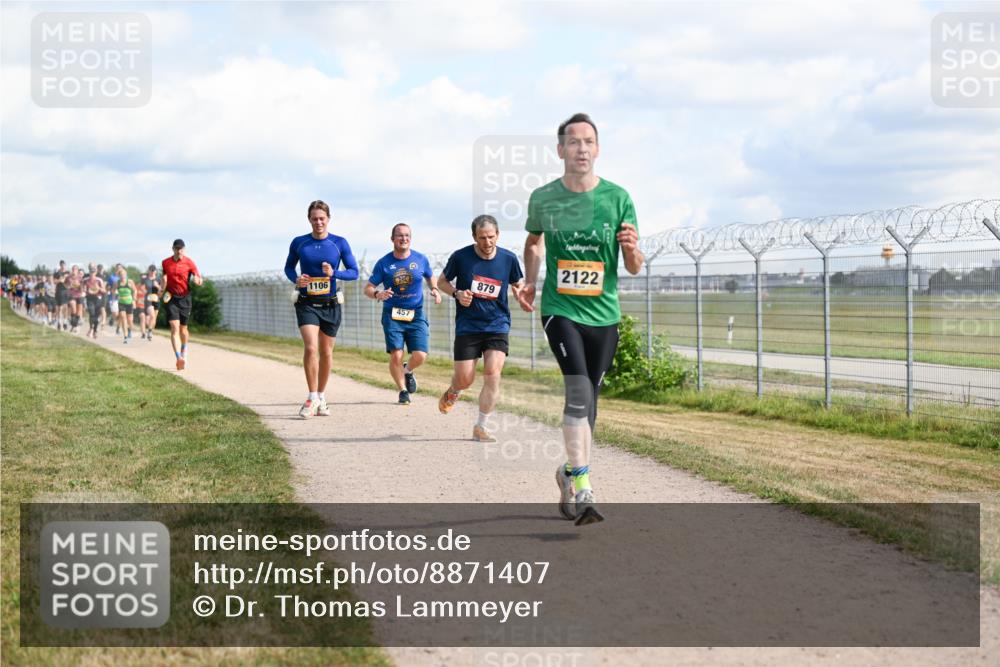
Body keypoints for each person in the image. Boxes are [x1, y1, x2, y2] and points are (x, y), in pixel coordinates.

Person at [522, 113, 643, 526]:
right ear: (560, 150)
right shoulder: (543, 198)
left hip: (604, 314)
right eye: (573, 142)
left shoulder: (618, 198)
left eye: (589, 141)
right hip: (561, 310)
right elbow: (533, 242)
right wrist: (530, 281)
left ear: (598, 149)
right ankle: (586, 487)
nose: (582, 148)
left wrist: (632, 249)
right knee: (577, 392)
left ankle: (568, 472)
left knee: (590, 399)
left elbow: (633, 266)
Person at [436, 214, 532, 442]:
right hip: (468, 326)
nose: (487, 242)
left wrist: (519, 291)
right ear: (474, 237)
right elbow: (441, 282)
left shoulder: (508, 258)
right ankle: (454, 390)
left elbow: (517, 282)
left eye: (491, 237)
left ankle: (481, 426)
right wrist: (457, 293)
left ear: (498, 235)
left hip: (497, 324)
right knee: (465, 379)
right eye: (482, 238)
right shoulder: (461, 257)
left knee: (492, 374)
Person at [284, 200, 359, 418]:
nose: (318, 222)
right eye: (315, 219)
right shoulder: (299, 243)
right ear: (309, 219)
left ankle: (322, 397)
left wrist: (334, 273)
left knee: (326, 352)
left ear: (328, 219)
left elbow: (354, 272)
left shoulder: (339, 243)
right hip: (307, 303)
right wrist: (296, 279)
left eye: (322, 218)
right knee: (311, 348)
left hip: (331, 304)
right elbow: (288, 267)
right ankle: (312, 396)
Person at [364, 223, 441, 405]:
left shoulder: (420, 259)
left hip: (416, 314)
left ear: (410, 238)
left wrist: (435, 289)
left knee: (420, 355)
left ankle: (407, 370)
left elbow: (430, 275)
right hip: (393, 315)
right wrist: (378, 294)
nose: (403, 238)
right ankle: (402, 391)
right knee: (396, 355)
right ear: (392, 239)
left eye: (407, 235)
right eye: (399, 235)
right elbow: (368, 288)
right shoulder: (384, 263)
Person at [162, 239, 203, 370]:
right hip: (171, 298)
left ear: (184, 249)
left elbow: (198, 277)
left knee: (183, 329)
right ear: (173, 249)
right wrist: (161, 290)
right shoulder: (165, 263)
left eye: (181, 249)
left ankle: (184, 349)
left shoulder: (189, 262)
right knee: (174, 327)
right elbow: (164, 277)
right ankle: (178, 357)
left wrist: (197, 280)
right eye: (177, 248)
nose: (179, 251)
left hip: (185, 298)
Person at [115, 268, 137, 343]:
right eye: (121, 275)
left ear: (126, 274)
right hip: (121, 303)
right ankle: (125, 336)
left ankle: (129, 330)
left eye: (124, 274)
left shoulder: (130, 282)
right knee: (123, 318)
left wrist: (134, 300)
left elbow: (135, 290)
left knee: (130, 320)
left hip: (129, 302)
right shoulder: (117, 283)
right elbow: (113, 290)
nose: (122, 276)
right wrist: (114, 298)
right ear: (119, 276)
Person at [84, 265, 105, 338]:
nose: (92, 273)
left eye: (93, 272)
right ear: (89, 272)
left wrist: (99, 288)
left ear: (96, 272)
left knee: (96, 316)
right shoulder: (86, 280)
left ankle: (95, 331)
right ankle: (91, 328)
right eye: (91, 272)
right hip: (90, 298)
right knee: (91, 313)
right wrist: (86, 291)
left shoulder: (99, 280)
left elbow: (104, 291)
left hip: (98, 298)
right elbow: (82, 289)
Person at [141, 265, 161, 341]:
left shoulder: (158, 279)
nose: (152, 272)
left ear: (155, 271)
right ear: (149, 270)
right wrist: (143, 290)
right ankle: (149, 331)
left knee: (154, 318)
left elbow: (161, 290)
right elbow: (142, 287)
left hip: (156, 299)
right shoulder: (145, 279)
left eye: (153, 270)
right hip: (148, 299)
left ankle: (150, 331)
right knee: (152, 316)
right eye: (151, 270)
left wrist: (157, 286)